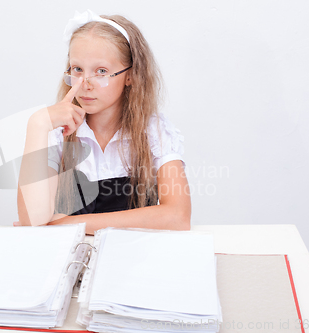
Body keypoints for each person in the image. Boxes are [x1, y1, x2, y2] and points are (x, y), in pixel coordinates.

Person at [16, 10, 191, 235]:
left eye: (101, 71)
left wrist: (62, 223)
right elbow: (33, 218)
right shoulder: (56, 133)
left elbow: (177, 217)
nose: (85, 84)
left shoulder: (154, 131)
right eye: (77, 69)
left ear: (130, 76)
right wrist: (37, 123)